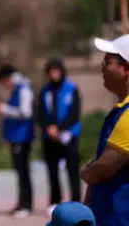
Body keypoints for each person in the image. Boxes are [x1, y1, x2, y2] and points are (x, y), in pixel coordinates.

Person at [81, 35, 129, 225]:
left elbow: (105, 167)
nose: (102, 68)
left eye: (107, 62)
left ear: (126, 68)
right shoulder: (120, 109)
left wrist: (86, 172)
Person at [39, 58, 82, 216]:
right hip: (49, 137)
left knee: (72, 171)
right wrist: (49, 127)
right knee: (52, 172)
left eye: (56, 70)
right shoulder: (45, 91)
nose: (54, 74)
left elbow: (74, 113)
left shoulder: (72, 89)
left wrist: (61, 128)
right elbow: (41, 113)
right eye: (51, 71)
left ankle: (76, 202)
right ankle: (55, 202)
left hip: (69, 136)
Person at [0, 64, 35, 219]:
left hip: (22, 137)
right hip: (16, 137)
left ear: (8, 78)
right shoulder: (18, 88)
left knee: (23, 172)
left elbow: (26, 112)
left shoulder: (23, 88)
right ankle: (21, 202)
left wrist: (5, 109)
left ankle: (26, 204)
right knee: (20, 172)